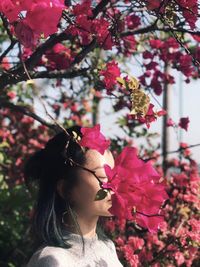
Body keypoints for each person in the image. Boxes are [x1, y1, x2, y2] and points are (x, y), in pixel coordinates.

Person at [24, 125, 123, 267]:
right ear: (65, 189)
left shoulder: (107, 248)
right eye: (102, 177)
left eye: (114, 175)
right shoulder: (52, 260)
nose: (113, 185)